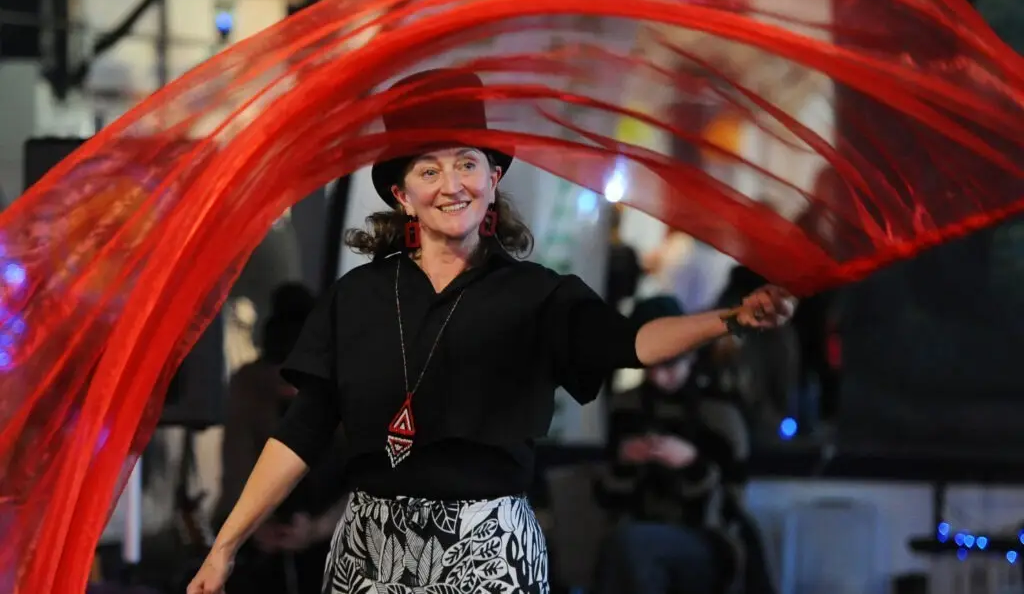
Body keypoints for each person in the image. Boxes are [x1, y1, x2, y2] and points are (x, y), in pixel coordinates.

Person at [187, 68, 794, 594]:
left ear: (494, 179)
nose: (452, 185)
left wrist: (729, 318)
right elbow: (301, 432)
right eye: (429, 169)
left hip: (490, 553)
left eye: (467, 163)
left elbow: (632, 343)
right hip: (370, 554)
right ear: (402, 195)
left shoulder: (536, 294)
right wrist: (225, 546)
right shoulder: (358, 298)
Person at [594, 296, 744, 594]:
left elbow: (732, 502)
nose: (661, 375)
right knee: (621, 546)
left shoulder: (719, 412)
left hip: (707, 537)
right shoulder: (627, 407)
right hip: (637, 528)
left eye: (671, 362)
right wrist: (626, 463)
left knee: (631, 546)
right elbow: (607, 497)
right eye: (650, 365)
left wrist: (691, 464)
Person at [215, 283, 348, 594]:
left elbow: (371, 485)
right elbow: (236, 469)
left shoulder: (352, 392)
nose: (289, 392)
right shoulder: (249, 386)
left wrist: (319, 528)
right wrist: (253, 524)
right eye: (280, 378)